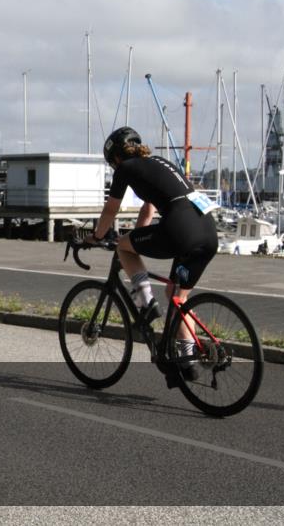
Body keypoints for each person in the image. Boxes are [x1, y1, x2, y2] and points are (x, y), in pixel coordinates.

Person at [86, 127, 219, 380]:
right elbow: (148, 211)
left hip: (180, 229)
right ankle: (188, 358)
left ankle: (146, 302)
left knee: (122, 245)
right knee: (177, 297)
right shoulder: (158, 162)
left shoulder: (126, 168)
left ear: (115, 158)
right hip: (207, 231)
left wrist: (98, 236)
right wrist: (138, 240)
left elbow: (110, 210)